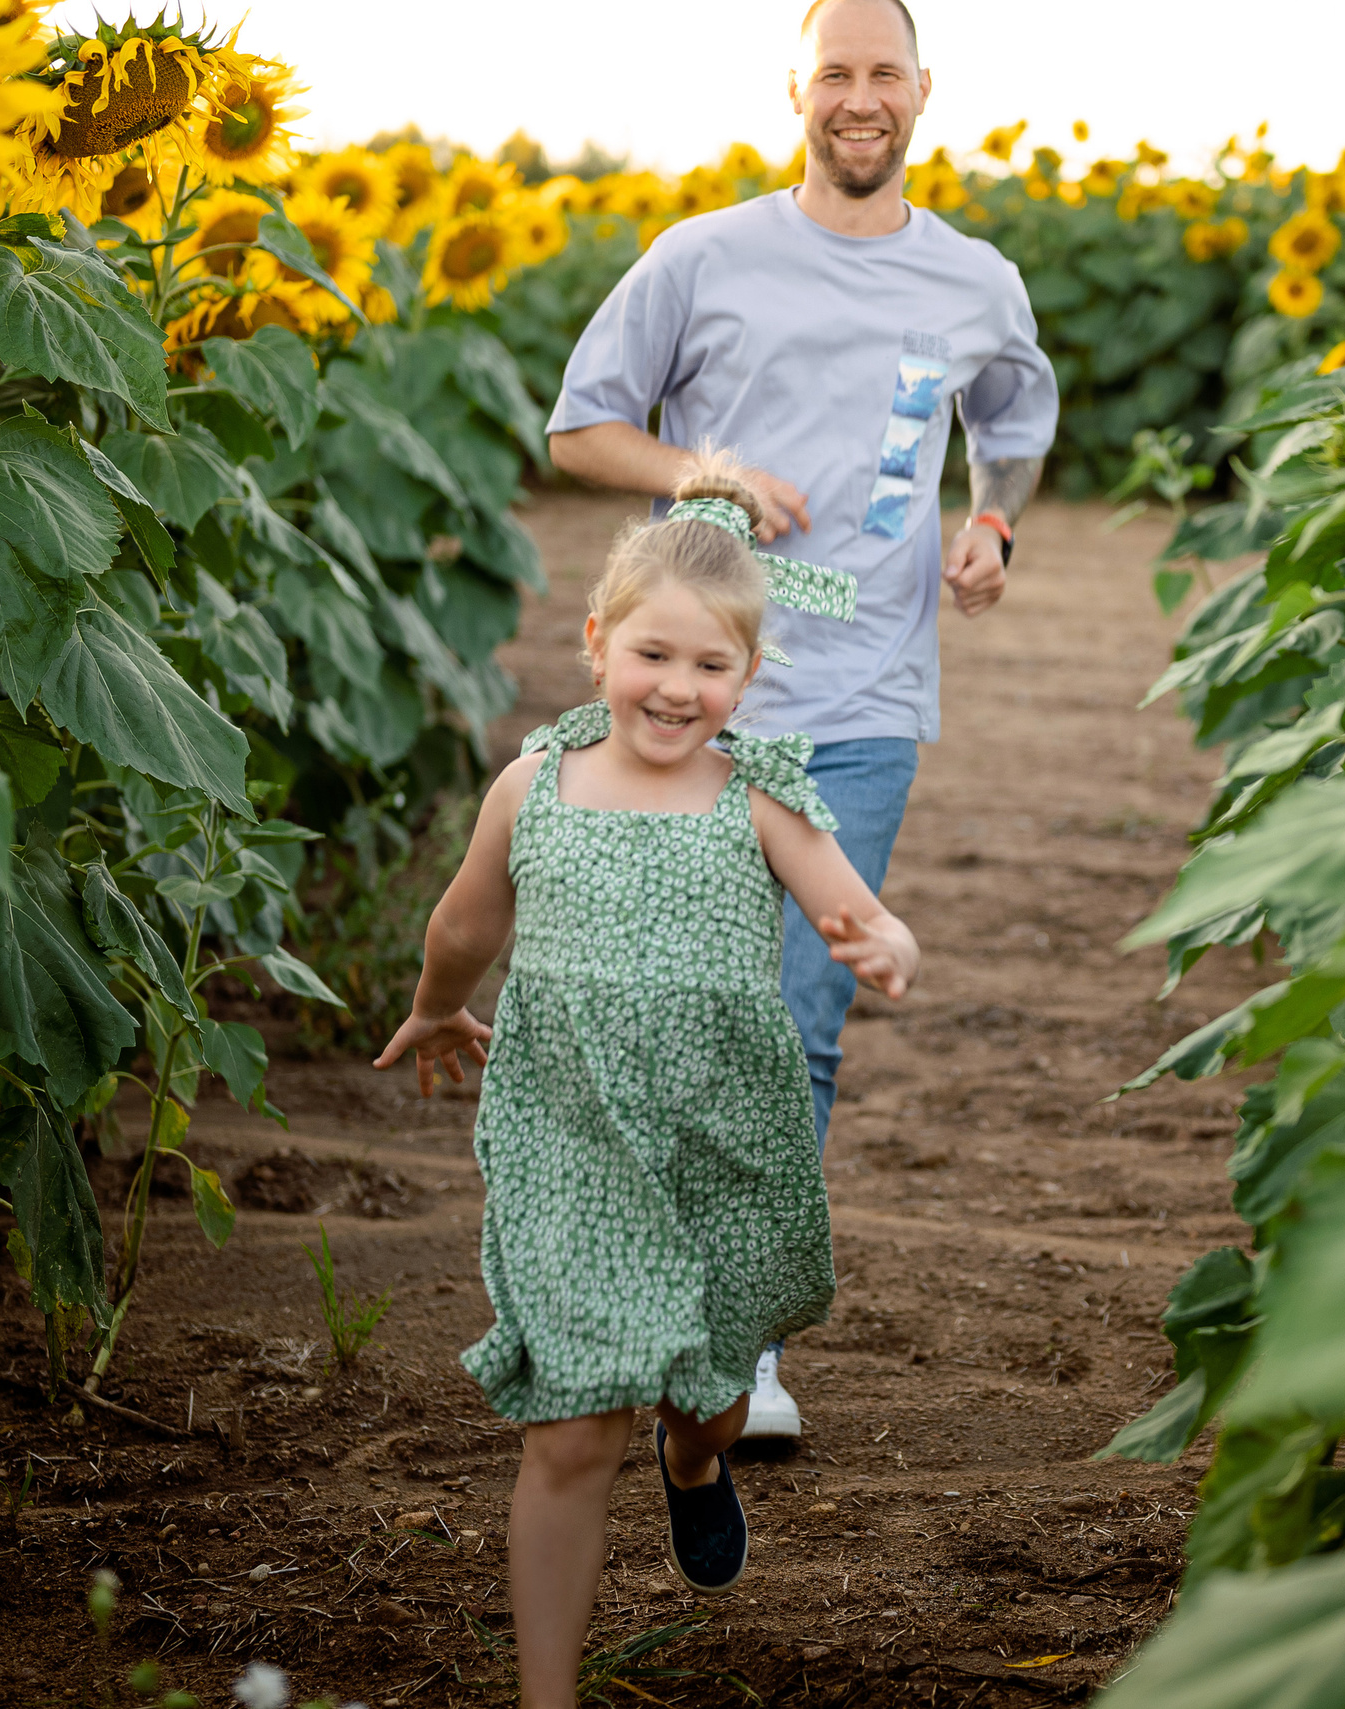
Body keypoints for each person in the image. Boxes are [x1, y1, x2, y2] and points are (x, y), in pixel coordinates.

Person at [547, 0, 1058, 1439]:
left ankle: (738, 1348)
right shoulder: (702, 258)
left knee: (797, 1027)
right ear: (797, 91)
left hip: (865, 708)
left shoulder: (974, 280)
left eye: (882, 73)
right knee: (672, 1012)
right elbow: (581, 429)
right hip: (687, 710)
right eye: (835, 72)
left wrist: (994, 521)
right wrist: (695, 463)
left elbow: (1015, 413)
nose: (859, 97)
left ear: (922, 94)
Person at [373, 459, 920, 1709]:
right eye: (653, 655)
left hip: (723, 1134)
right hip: (573, 1129)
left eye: (710, 667)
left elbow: (858, 908)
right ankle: (547, 1693)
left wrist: (882, 944)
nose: (678, 689)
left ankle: (694, 1459)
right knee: (573, 1423)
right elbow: (463, 928)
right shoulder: (537, 786)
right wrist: (432, 1003)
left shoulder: (761, 796)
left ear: (748, 677)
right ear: (597, 641)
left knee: (710, 1396)